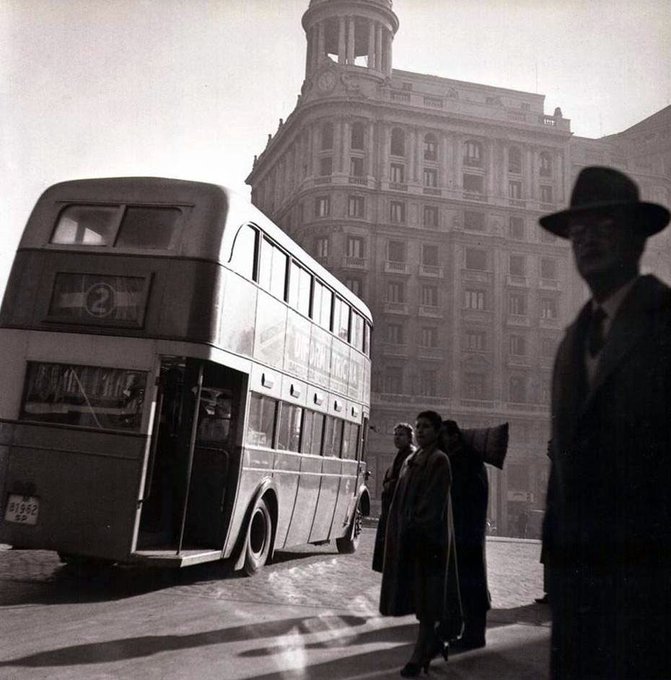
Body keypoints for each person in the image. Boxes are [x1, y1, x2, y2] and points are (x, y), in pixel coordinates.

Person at [539, 166, 671, 679]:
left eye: (604, 226)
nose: (587, 239)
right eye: (577, 230)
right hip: (582, 608)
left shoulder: (665, 322)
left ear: (638, 238)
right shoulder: (571, 342)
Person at [379, 410, 461, 677]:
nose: (421, 430)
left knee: (428, 601)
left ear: (437, 431)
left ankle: (420, 654)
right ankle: (432, 644)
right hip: (410, 537)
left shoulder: (439, 460)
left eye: (426, 426)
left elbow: (433, 503)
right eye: (418, 426)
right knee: (420, 597)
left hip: (428, 541)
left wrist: (414, 527)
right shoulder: (413, 459)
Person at [440, 419, 490, 651]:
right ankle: (463, 630)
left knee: (470, 583)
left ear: (454, 437)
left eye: (444, 435)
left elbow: (463, 496)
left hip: (467, 532)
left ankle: (473, 634)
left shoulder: (467, 461)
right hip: (465, 532)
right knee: (465, 583)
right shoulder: (465, 459)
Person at [372, 422, 415, 573]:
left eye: (401, 435)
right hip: (392, 506)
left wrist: (390, 484)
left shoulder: (410, 455)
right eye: (395, 435)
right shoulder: (402, 453)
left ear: (410, 438)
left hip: (399, 509)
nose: (397, 438)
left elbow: (406, 480)